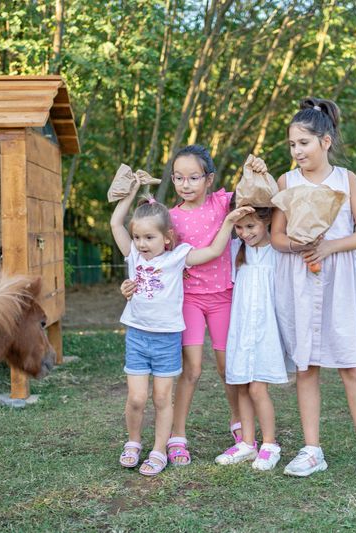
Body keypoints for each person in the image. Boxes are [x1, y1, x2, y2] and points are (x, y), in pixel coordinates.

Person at [270, 97, 356, 487]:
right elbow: (275, 237)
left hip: (339, 280)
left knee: (352, 366)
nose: (297, 152)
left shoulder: (347, 180)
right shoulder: (286, 182)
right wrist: (299, 244)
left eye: (303, 144)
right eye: (292, 145)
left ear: (325, 141)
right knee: (306, 367)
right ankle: (312, 450)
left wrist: (328, 245)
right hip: (299, 280)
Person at [110, 180, 252, 476]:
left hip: (166, 340)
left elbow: (213, 251)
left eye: (149, 237)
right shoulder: (133, 256)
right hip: (136, 336)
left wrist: (228, 222)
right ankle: (133, 442)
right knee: (136, 398)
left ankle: (160, 450)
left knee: (162, 398)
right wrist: (132, 193)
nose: (141, 243)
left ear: (167, 238)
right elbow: (115, 223)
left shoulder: (177, 257)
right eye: (137, 237)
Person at [165, 145, 266, 465]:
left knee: (228, 368)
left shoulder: (224, 203)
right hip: (189, 299)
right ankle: (176, 434)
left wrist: (257, 171)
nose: (186, 184)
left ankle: (239, 423)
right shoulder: (170, 217)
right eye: (179, 178)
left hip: (224, 297)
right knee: (192, 369)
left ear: (208, 179)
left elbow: (259, 197)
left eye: (193, 177)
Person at [214, 207, 291, 471]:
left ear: (267, 221)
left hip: (266, 330)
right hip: (242, 328)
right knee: (242, 386)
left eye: (251, 227)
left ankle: (270, 444)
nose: (245, 233)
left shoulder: (278, 253)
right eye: (240, 227)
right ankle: (247, 443)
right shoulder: (236, 251)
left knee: (258, 388)